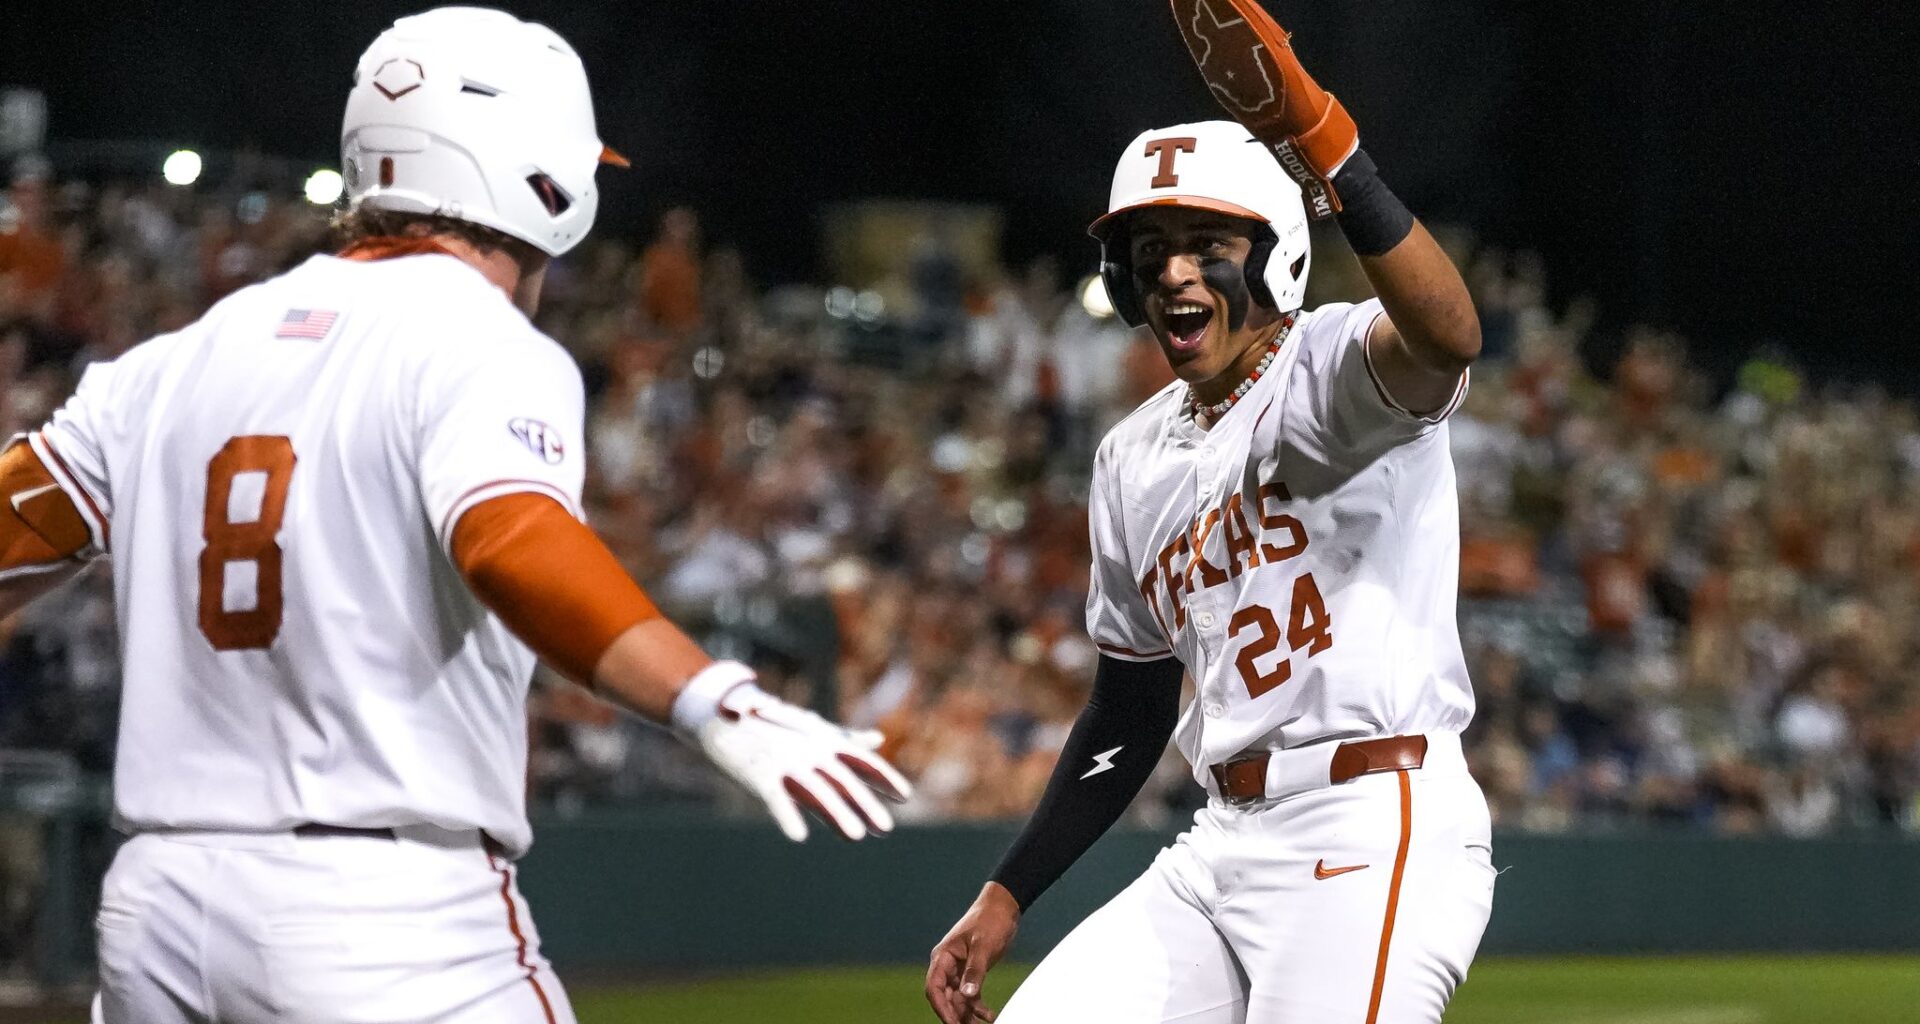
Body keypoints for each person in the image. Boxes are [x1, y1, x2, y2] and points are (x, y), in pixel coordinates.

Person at [0, 8, 908, 1022]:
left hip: (156, 909)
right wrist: (707, 697)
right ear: (547, 181)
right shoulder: (479, 340)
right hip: (383, 912)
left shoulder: (169, 362)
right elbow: (510, 541)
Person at [927, 3, 1491, 1021]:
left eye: (1203, 244)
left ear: (1273, 255)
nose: (1175, 271)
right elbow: (1128, 709)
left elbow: (1448, 335)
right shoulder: (1131, 456)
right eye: (1150, 252)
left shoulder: (1330, 367)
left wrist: (1331, 150)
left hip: (1368, 821)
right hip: (1221, 841)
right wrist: (1010, 890)